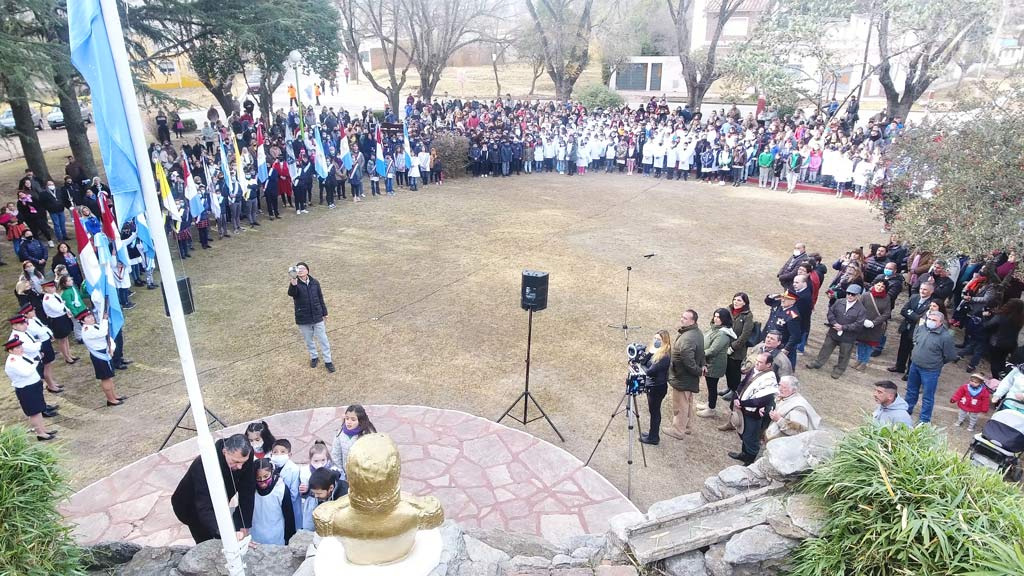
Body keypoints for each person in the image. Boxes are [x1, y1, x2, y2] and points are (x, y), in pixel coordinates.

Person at [171, 433, 255, 544]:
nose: (240, 467)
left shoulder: (243, 456)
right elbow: (204, 507)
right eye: (236, 462)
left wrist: (243, 526)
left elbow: (247, 491)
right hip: (191, 506)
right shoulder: (203, 465)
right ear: (225, 452)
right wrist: (225, 533)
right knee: (207, 538)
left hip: (219, 497)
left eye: (243, 462)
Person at [904, 310, 958, 424]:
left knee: (928, 396)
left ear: (941, 322)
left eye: (934, 320)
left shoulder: (946, 337)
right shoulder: (922, 328)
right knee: (911, 390)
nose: (930, 321)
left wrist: (936, 363)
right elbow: (915, 339)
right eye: (930, 319)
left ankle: (924, 419)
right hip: (915, 365)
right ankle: (907, 409)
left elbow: (950, 355)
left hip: (930, 371)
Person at [805, 284, 867, 379]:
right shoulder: (839, 302)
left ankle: (839, 369)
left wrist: (843, 327)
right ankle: (817, 362)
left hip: (848, 337)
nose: (850, 296)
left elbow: (858, 324)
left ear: (858, 296)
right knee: (826, 348)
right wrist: (834, 323)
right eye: (848, 293)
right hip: (833, 332)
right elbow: (830, 313)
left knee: (844, 354)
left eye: (853, 294)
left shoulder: (861, 309)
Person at [730, 352, 778, 464]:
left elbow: (760, 400)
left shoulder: (770, 379)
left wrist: (742, 403)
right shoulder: (755, 369)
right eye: (757, 361)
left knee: (750, 437)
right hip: (743, 408)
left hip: (753, 414)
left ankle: (749, 461)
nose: (756, 363)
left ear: (768, 365)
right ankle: (743, 454)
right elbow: (743, 383)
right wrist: (737, 396)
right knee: (742, 432)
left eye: (760, 362)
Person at [5, 336, 58, 440]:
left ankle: (43, 429)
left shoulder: (21, 356)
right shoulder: (13, 361)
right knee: (34, 412)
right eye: (17, 347)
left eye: (20, 346)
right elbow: (26, 372)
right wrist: (36, 362)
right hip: (26, 389)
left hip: (33, 385)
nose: (21, 348)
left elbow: (31, 364)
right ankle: (40, 433)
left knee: (38, 410)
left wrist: (35, 362)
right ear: (10, 350)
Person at [664, 310, 705, 440]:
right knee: (687, 402)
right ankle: (686, 426)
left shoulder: (688, 338)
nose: (682, 319)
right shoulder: (697, 333)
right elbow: (701, 352)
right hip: (688, 378)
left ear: (693, 321)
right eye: (682, 317)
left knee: (680, 404)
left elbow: (688, 360)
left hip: (683, 377)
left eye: (685, 318)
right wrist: (701, 367)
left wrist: (698, 370)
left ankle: (678, 430)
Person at [287, 262, 334, 372]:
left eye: (303, 268)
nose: (301, 270)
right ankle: (314, 357)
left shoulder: (315, 283)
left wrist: (324, 312)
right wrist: (293, 283)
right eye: (298, 269)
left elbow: (320, 297)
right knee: (309, 340)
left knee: (323, 339)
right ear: (296, 272)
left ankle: (328, 361)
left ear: (307, 270)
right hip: (303, 318)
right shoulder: (295, 283)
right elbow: (292, 294)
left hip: (317, 316)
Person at [888, 281, 935, 376]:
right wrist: (916, 316)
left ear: (931, 291)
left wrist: (911, 314)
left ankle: (910, 372)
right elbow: (903, 310)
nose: (922, 291)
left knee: (913, 351)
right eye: (921, 288)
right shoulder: (914, 297)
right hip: (906, 327)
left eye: (925, 289)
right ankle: (899, 366)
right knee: (903, 348)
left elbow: (923, 318)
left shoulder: (932, 303)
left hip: (917, 331)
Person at [697, 308, 736, 418]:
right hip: (709, 362)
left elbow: (713, 350)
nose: (716, 318)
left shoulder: (722, 334)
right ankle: (709, 404)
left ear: (724, 319)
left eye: (719, 317)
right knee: (710, 386)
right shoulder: (714, 329)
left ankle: (711, 409)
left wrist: (699, 354)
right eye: (715, 316)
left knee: (712, 387)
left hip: (714, 365)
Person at [80, 311, 125, 406]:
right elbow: (103, 333)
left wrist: (111, 349)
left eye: (91, 316)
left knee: (109, 377)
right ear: (82, 321)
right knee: (105, 378)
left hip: (105, 352)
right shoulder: (87, 330)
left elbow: (108, 338)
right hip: (99, 356)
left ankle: (114, 395)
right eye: (87, 318)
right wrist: (104, 320)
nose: (91, 318)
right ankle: (110, 399)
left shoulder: (94, 326)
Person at [251, 457, 297, 545]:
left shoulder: (281, 489)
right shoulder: (251, 489)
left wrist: (289, 538)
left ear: (272, 472)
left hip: (276, 536)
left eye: (265, 476)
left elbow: (289, 515)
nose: (262, 481)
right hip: (255, 535)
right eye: (258, 478)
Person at [765, 375, 821, 441]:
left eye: (784, 387)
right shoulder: (783, 396)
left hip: (784, 446)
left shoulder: (798, 407)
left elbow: (798, 431)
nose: (780, 389)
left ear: (794, 390)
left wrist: (779, 420)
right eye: (780, 385)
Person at [639, 329, 671, 445]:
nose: (656, 341)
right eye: (655, 339)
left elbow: (650, 371)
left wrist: (642, 368)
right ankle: (652, 433)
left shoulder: (664, 356)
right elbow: (643, 362)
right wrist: (650, 352)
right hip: (653, 385)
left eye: (659, 339)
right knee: (653, 411)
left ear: (665, 341)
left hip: (657, 387)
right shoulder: (657, 352)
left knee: (655, 412)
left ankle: (654, 437)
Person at [330, 404, 377, 480]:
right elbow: (336, 454)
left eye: (353, 419)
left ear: (360, 420)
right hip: (346, 474)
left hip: (363, 474)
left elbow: (372, 456)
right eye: (347, 418)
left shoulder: (367, 435)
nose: (349, 422)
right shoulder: (340, 433)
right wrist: (341, 472)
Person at [854, 279, 891, 371]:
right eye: (878, 285)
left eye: (882, 286)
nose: (880, 288)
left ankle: (864, 362)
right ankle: (858, 360)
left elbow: (886, 313)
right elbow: (858, 308)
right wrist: (863, 320)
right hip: (863, 323)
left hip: (876, 327)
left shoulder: (887, 298)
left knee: (869, 345)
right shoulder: (866, 295)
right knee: (861, 343)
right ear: (874, 285)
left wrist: (874, 323)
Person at [984, 299, 1024, 379]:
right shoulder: (1020, 319)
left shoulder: (1001, 316)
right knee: (1002, 361)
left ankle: (996, 379)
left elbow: (988, 326)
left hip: (997, 343)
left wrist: (985, 317)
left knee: (994, 362)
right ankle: (1002, 376)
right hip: (1011, 344)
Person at [762, 291, 802, 370]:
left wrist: (786, 349)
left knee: (775, 366)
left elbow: (795, 336)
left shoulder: (793, 316)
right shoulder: (778, 304)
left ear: (793, 301)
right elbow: (767, 301)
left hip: (779, 344)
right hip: (768, 337)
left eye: (786, 299)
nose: (783, 300)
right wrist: (772, 295)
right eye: (783, 297)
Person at [725, 293, 755, 397]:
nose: (736, 302)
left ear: (745, 303)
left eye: (739, 300)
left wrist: (733, 347)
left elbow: (745, 335)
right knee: (727, 369)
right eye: (735, 299)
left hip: (738, 349)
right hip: (726, 345)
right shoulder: (728, 310)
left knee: (735, 371)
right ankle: (729, 387)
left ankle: (734, 391)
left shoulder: (747, 315)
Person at [41, 281, 77, 364]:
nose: (53, 288)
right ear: (45, 289)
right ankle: (66, 357)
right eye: (51, 287)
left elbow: (62, 305)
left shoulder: (55, 295)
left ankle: (69, 354)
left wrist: (67, 310)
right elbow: (57, 308)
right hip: (56, 320)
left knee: (66, 337)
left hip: (62, 317)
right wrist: (63, 304)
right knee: (62, 339)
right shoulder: (47, 298)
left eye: (53, 287)